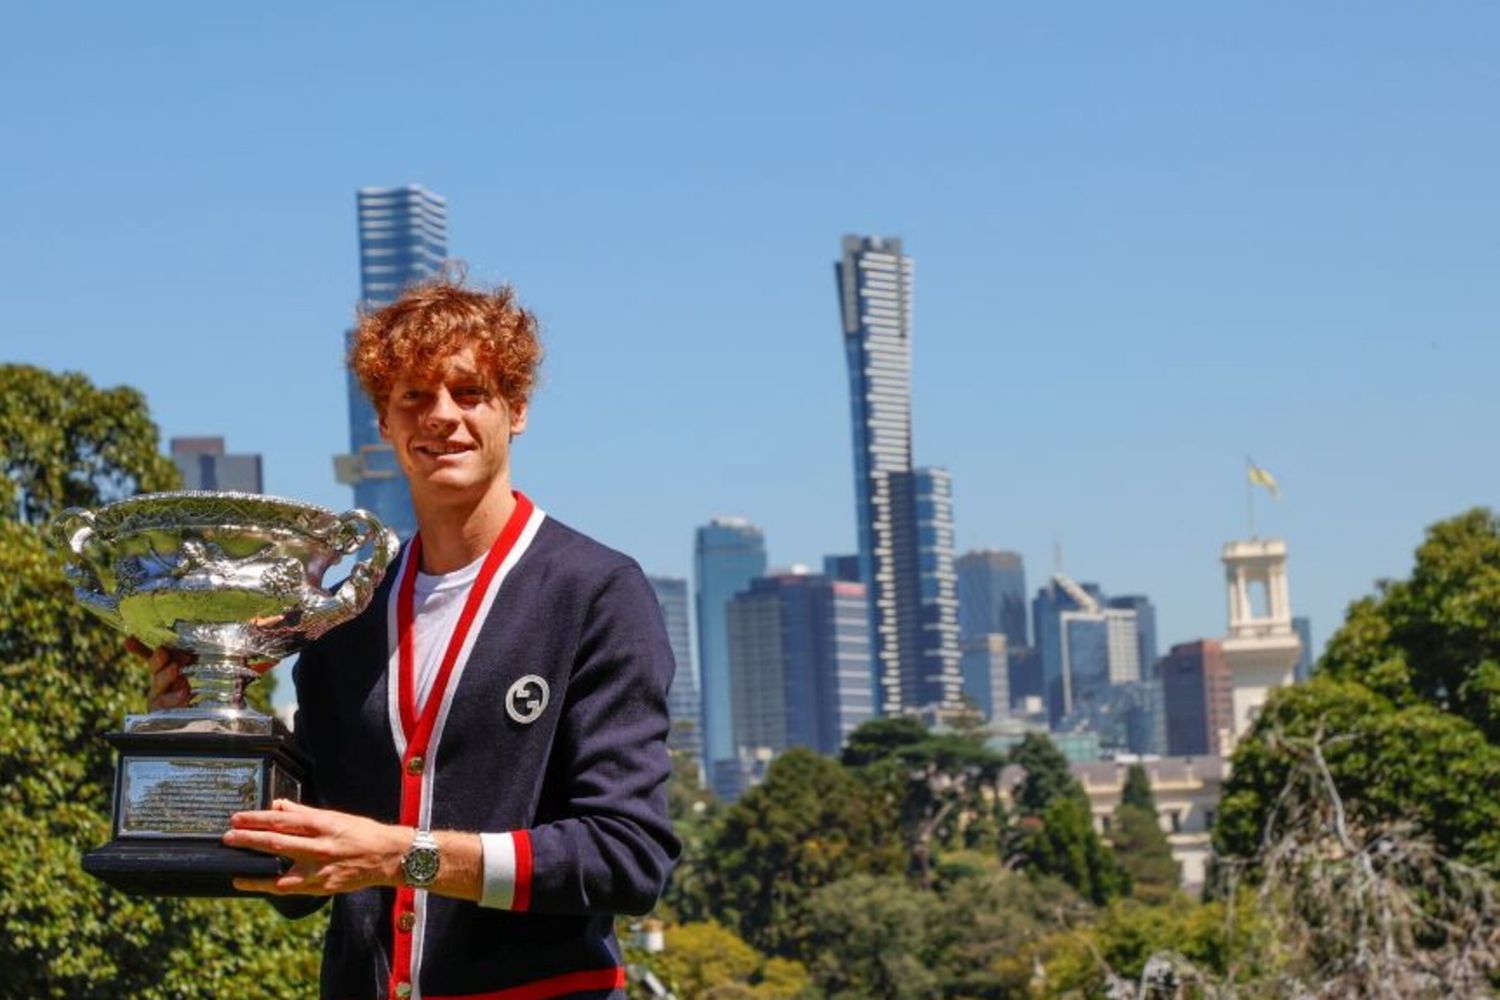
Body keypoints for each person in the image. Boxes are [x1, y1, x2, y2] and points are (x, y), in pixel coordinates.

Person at [136, 279, 680, 1000]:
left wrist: (404, 856)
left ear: (516, 410)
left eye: (470, 391)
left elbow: (627, 858)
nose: (443, 417)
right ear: (385, 425)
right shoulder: (344, 611)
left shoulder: (593, 592)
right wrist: (211, 731)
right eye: (415, 397)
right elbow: (300, 887)